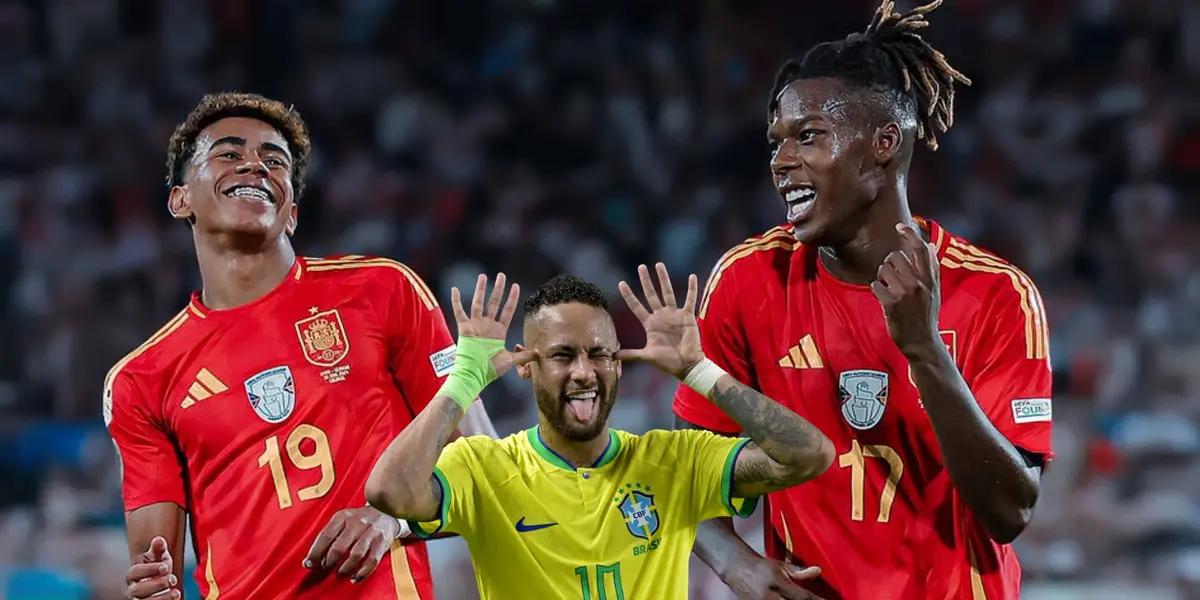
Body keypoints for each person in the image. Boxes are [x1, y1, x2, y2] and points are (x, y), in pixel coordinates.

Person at [675, 2, 1052, 599]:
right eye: (776, 142)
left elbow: (1010, 513)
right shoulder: (748, 281)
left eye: (809, 136)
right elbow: (683, 470)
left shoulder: (996, 294)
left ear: (883, 143)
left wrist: (925, 350)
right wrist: (735, 563)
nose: (781, 162)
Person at [103, 92, 496, 600]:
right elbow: (155, 571)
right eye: (228, 152)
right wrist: (152, 589)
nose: (254, 165)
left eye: (275, 161)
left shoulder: (381, 291)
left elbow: (486, 466)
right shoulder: (142, 378)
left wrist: (392, 518)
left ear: (290, 211)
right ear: (181, 199)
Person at [365, 265, 836, 599]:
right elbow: (389, 490)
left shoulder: (675, 461)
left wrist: (700, 372)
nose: (585, 372)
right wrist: (464, 383)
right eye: (562, 356)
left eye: (600, 354)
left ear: (620, 364)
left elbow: (808, 455)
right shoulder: (485, 468)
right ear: (526, 367)